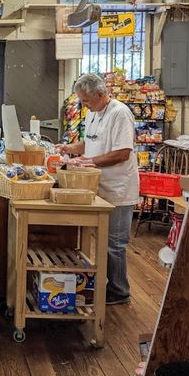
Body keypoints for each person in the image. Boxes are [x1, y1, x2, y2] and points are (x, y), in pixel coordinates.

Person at [58, 73, 139, 305]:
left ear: (101, 94)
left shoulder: (119, 113)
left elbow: (123, 152)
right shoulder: (93, 113)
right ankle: (104, 285)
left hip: (118, 188)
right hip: (99, 186)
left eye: (86, 100)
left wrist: (89, 162)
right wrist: (69, 148)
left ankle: (119, 291)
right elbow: (89, 143)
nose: (84, 105)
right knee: (103, 242)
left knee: (115, 244)